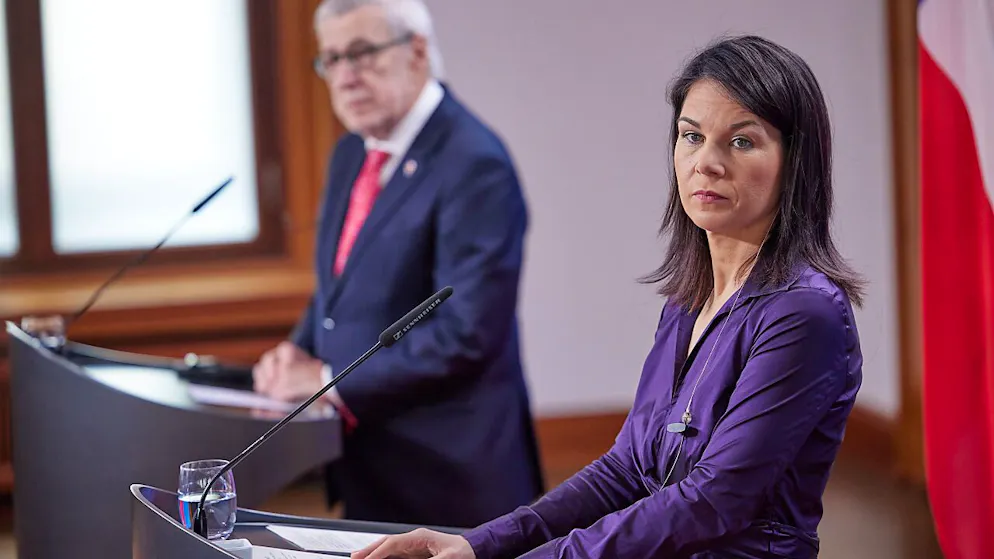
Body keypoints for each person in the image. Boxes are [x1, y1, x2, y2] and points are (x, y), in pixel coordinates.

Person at [352, 34, 865, 559]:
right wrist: (481, 544)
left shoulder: (805, 312)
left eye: (741, 142)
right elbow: (626, 470)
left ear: (795, 160)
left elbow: (714, 500)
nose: (706, 162)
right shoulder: (688, 301)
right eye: (691, 136)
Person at [252, 0, 544, 528]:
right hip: (370, 462)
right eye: (332, 59)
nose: (345, 76)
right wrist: (297, 349)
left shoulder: (474, 162)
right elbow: (340, 285)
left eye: (362, 53)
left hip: (451, 477)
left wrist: (327, 379)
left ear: (417, 51)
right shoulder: (351, 153)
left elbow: (465, 333)